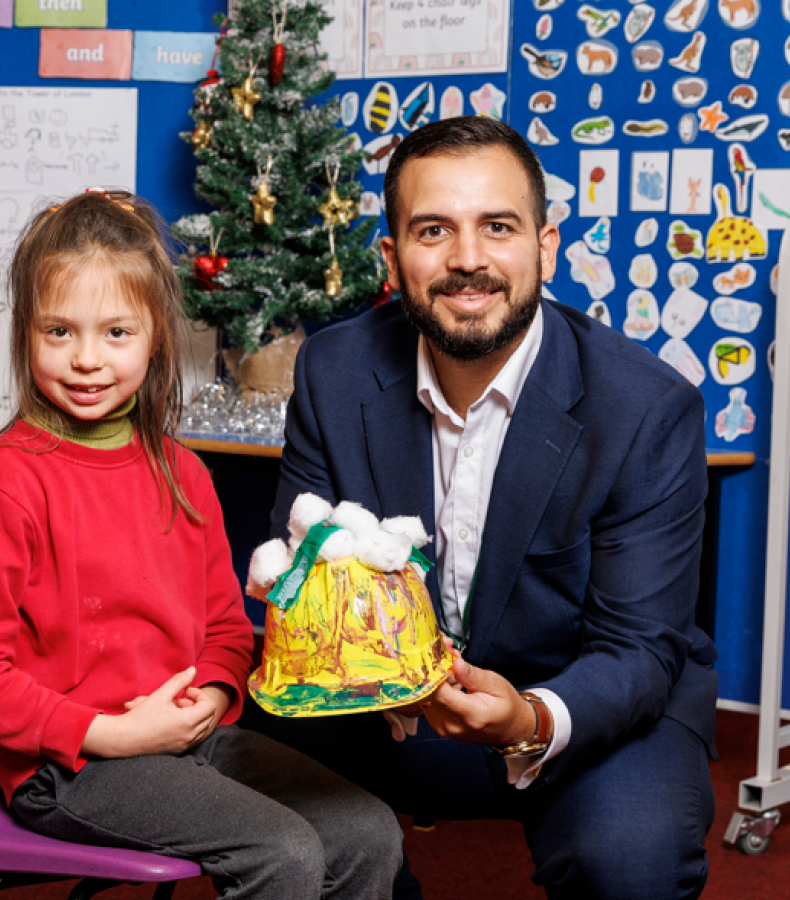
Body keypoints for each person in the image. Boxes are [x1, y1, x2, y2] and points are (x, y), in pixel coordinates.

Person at [242, 116, 718, 900]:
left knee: (632, 862)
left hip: (581, 703)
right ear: (392, 259)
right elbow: (305, 571)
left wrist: (529, 719)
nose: (468, 260)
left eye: (498, 226)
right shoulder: (335, 370)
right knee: (262, 811)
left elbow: (639, 647)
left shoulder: (646, 407)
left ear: (545, 245)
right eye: (434, 230)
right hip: (377, 700)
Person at [0, 189, 403, 900]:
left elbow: (223, 628)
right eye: (60, 332)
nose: (87, 359)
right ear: (26, 332)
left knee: (370, 831)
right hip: (70, 764)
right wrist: (104, 734)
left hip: (191, 739)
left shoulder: (183, 474)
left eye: (116, 333)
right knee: (281, 852)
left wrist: (214, 688)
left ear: (155, 337)